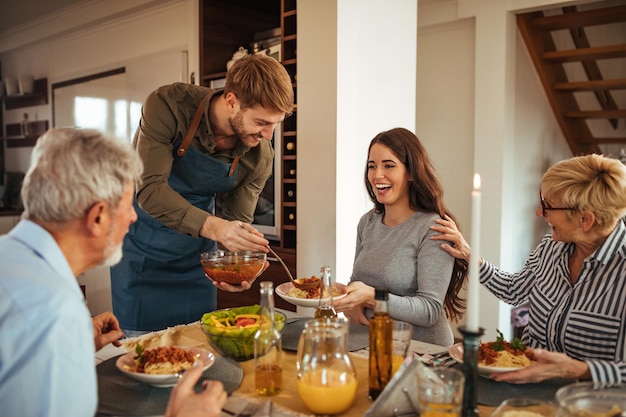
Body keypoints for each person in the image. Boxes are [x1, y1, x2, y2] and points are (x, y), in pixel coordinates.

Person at [0, 128, 227, 417]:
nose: (134, 216)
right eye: (127, 205)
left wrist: (75, 346)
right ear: (96, 218)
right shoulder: (54, 313)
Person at [110, 53, 295, 335]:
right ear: (232, 101)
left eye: (275, 124)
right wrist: (215, 227)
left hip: (197, 263)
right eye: (261, 123)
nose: (268, 135)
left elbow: (236, 224)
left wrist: (239, 268)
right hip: (143, 254)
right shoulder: (167, 106)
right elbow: (150, 189)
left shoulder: (259, 157)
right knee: (141, 354)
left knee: (199, 352)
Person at [431, 153, 626, 385]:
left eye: (547, 206)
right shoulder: (551, 247)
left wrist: (578, 370)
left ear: (585, 220)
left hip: (591, 403)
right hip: (527, 391)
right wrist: (469, 256)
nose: (538, 212)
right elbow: (514, 290)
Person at [332, 128, 468, 346]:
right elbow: (358, 281)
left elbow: (430, 310)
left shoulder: (433, 228)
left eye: (389, 165)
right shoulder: (367, 222)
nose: (377, 175)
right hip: (367, 344)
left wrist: (372, 298)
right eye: (372, 166)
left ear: (411, 172)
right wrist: (351, 301)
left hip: (420, 350)